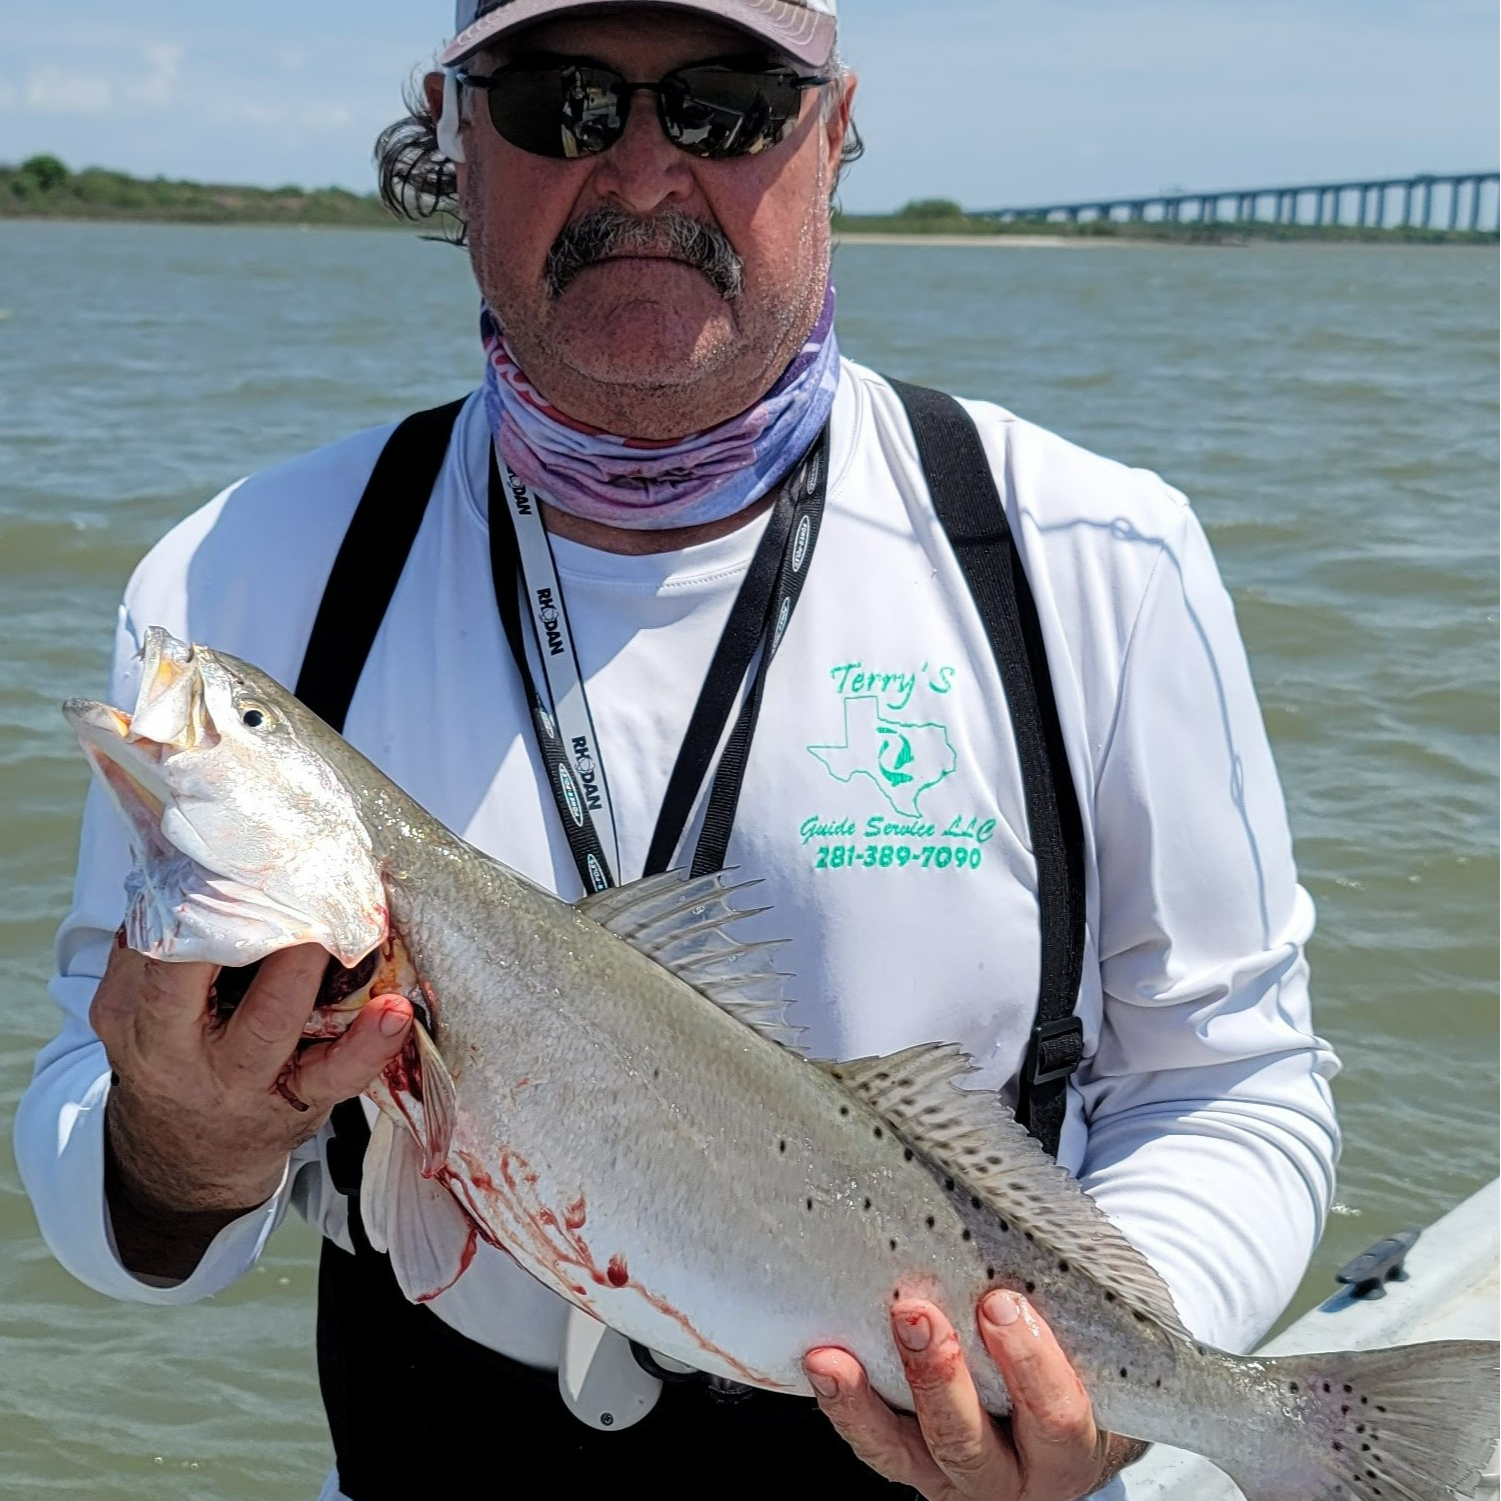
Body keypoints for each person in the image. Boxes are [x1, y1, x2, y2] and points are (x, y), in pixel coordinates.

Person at [16, 3, 1341, 1499]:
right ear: (455, 132)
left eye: (726, 102)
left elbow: (1238, 1084)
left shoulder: (1096, 557)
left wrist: (1093, 1392)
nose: (643, 171)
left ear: (834, 128)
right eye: (561, 100)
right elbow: (100, 1180)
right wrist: (177, 1152)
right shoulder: (240, 578)